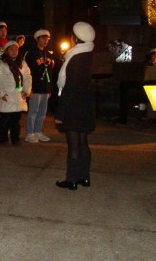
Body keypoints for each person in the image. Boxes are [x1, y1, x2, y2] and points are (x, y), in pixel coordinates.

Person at [55, 22, 96, 190]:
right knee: (83, 142)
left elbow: (69, 88)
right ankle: (84, 177)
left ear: (76, 38)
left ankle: (71, 180)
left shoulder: (75, 58)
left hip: (74, 106)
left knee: (73, 145)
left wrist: (60, 113)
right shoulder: (87, 54)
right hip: (85, 104)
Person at [0, 41, 32, 146]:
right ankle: (2, 139)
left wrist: (26, 90)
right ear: (6, 51)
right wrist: (1, 94)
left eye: (16, 49)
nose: (14, 51)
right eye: (11, 49)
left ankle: (15, 139)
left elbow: (27, 77)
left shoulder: (22, 63)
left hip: (18, 95)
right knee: (5, 119)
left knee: (16, 120)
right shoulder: (1, 64)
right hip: (7, 95)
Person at [25, 29, 54, 143]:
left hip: (44, 87)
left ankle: (38, 131)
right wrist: (29, 88)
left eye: (47, 38)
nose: (46, 40)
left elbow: (49, 72)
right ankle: (30, 133)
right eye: (43, 38)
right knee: (33, 111)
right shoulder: (31, 53)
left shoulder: (47, 53)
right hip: (35, 87)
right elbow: (28, 72)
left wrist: (49, 88)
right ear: (37, 39)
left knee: (42, 112)